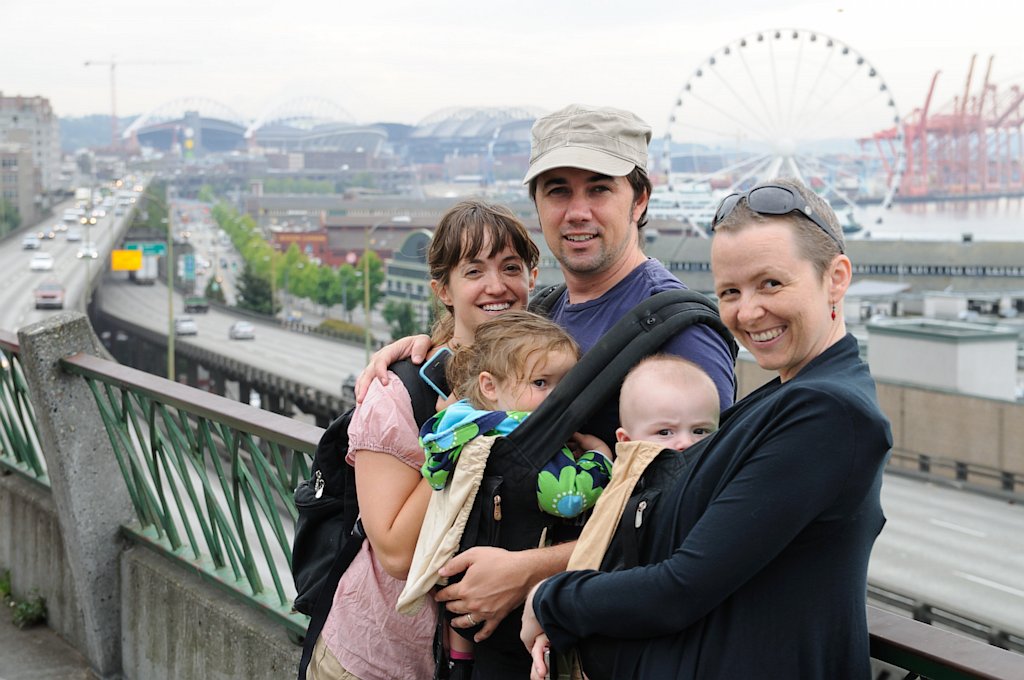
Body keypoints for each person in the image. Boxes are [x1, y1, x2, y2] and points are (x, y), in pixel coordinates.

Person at [353, 104, 738, 678]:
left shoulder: (678, 334)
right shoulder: (544, 313)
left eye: (599, 189)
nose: (577, 211)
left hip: (600, 652)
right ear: (537, 204)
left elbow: (695, 521)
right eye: (558, 190)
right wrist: (422, 347)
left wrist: (528, 571)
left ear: (639, 200)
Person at [521, 178, 894, 680]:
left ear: (836, 278)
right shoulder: (783, 397)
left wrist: (549, 598)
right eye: (730, 292)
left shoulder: (828, 414)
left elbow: (680, 588)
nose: (749, 311)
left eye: (771, 284)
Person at [305, 198, 540, 680]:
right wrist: (461, 428)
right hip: (377, 661)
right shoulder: (398, 392)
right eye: (474, 271)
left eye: (511, 267)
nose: (497, 285)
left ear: (532, 278)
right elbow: (394, 551)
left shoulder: (541, 376)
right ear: (443, 290)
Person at [400, 310, 613, 678]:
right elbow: (566, 497)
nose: (558, 397)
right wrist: (600, 459)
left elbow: (434, 473)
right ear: (489, 385)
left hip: (463, 574)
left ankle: (460, 661)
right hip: (512, 601)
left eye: (567, 384)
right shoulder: (528, 436)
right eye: (541, 383)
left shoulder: (460, 422)